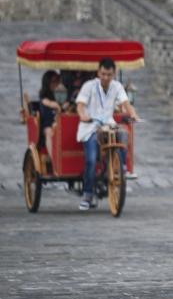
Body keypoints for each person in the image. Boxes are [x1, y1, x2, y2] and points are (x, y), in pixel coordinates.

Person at [75, 58, 140, 211]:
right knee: (91, 160)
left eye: (109, 75)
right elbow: (80, 105)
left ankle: (120, 174)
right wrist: (83, 116)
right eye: (103, 74)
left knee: (123, 135)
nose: (105, 77)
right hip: (90, 126)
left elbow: (126, 104)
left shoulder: (117, 87)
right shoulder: (89, 86)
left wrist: (134, 115)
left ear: (114, 74)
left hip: (108, 124)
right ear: (98, 72)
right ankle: (87, 195)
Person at [37, 70, 67, 173]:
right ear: (47, 83)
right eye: (53, 82)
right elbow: (51, 104)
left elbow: (64, 105)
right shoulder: (44, 98)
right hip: (47, 124)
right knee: (49, 132)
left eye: (58, 81)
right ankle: (55, 163)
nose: (56, 84)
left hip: (60, 123)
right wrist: (58, 106)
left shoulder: (61, 93)